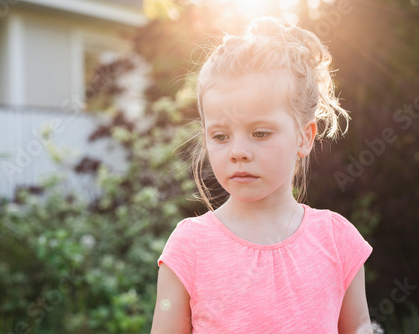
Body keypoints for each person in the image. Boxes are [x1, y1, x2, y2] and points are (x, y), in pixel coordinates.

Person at [151, 16, 373, 333]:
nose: (237, 151)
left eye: (259, 133)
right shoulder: (190, 247)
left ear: (304, 137)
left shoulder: (338, 242)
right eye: (221, 136)